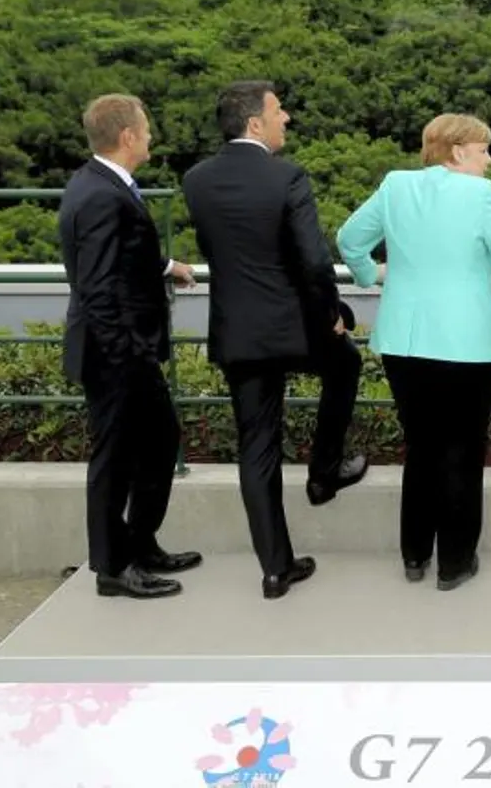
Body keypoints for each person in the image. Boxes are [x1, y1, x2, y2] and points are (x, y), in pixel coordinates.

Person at [181, 81, 368, 600]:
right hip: (296, 325)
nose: (287, 117)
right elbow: (311, 260)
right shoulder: (287, 177)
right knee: (346, 365)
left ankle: (274, 569)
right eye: (279, 110)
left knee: (256, 446)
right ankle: (324, 473)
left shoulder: (196, 181)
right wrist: (334, 313)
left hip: (238, 330)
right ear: (256, 123)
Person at [338, 113, 491, 591]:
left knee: (422, 446)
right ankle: (455, 562)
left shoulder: (396, 185)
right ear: (458, 150)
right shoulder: (480, 195)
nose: (490, 160)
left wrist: (370, 277)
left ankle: (413, 554)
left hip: (404, 340)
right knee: (463, 451)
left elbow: (349, 241)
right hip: (465, 341)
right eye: (483, 149)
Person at [58, 93, 199, 599]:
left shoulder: (99, 185)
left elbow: (116, 256)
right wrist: (127, 355)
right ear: (127, 137)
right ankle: (113, 568)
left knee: (160, 442)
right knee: (116, 459)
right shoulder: (100, 195)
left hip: (123, 351)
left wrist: (165, 267)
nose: (151, 137)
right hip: (114, 353)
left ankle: (141, 543)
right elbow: (97, 287)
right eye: (146, 129)